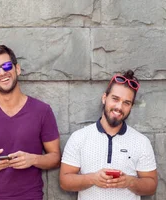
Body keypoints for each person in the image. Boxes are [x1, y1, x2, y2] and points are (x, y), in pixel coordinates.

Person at [0, 45, 61, 200]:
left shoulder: (42, 111)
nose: (2, 73)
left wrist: (33, 159)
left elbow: (55, 158)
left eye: (6, 66)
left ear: (17, 69)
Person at [59, 70, 157, 200]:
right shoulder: (79, 137)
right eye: (115, 99)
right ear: (104, 98)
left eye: (126, 103)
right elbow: (64, 181)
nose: (119, 107)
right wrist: (93, 179)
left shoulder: (141, 141)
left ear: (131, 107)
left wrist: (129, 182)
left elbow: (151, 186)